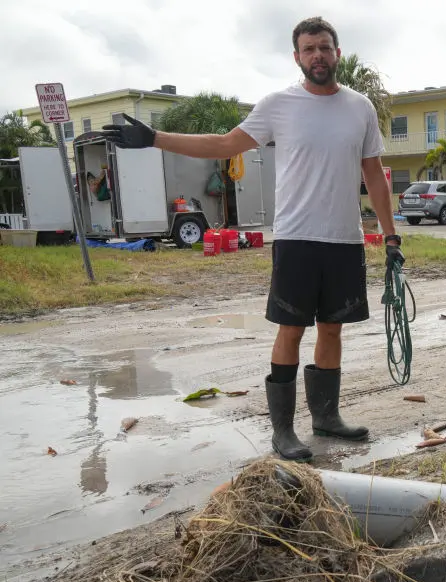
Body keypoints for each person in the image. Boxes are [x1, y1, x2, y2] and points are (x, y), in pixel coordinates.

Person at [99, 16, 403, 463]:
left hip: (345, 239)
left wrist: (391, 234)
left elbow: (373, 175)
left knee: (333, 328)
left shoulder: (360, 108)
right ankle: (283, 430)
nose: (317, 55)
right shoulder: (279, 105)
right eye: (308, 49)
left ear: (336, 53)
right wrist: (155, 139)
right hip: (297, 237)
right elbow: (224, 144)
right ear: (296, 57)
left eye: (324, 47)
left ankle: (327, 417)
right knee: (292, 328)